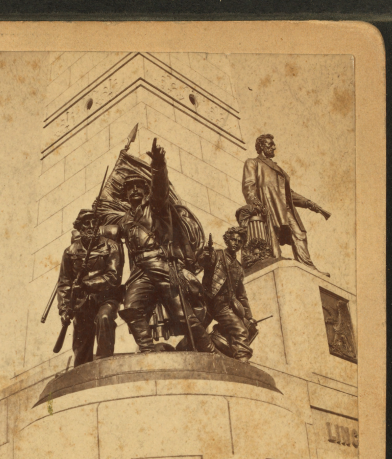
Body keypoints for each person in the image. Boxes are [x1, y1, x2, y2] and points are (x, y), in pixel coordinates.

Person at [116, 139, 215, 354]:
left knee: (182, 315)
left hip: (162, 264)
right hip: (140, 270)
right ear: (125, 194)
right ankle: (147, 350)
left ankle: (209, 351)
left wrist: (158, 166)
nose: (134, 190)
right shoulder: (125, 220)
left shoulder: (156, 206)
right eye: (129, 188)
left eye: (138, 186)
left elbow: (160, 188)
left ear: (145, 190)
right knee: (132, 307)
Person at [241, 134, 329, 274]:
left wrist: (311, 204)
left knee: (300, 234)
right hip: (268, 206)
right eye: (270, 145)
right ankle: (276, 259)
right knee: (272, 234)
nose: (274, 147)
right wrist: (257, 205)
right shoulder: (253, 162)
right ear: (262, 147)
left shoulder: (278, 169)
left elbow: (289, 194)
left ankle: (308, 266)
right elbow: (248, 186)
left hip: (285, 208)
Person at [57, 210, 123, 367]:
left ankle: (103, 364)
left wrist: (87, 284)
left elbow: (113, 277)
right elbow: (64, 282)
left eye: (94, 222)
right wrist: (64, 309)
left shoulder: (111, 246)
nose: (91, 226)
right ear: (79, 227)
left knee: (104, 318)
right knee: (81, 347)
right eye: (86, 223)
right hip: (82, 303)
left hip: (106, 298)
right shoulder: (70, 252)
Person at [199, 227, 257, 362]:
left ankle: (242, 360)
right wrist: (206, 255)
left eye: (239, 241)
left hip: (223, 305)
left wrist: (249, 316)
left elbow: (241, 295)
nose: (236, 243)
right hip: (208, 302)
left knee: (241, 330)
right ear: (227, 240)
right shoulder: (217, 255)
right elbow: (206, 262)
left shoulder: (238, 267)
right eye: (233, 239)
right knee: (196, 329)